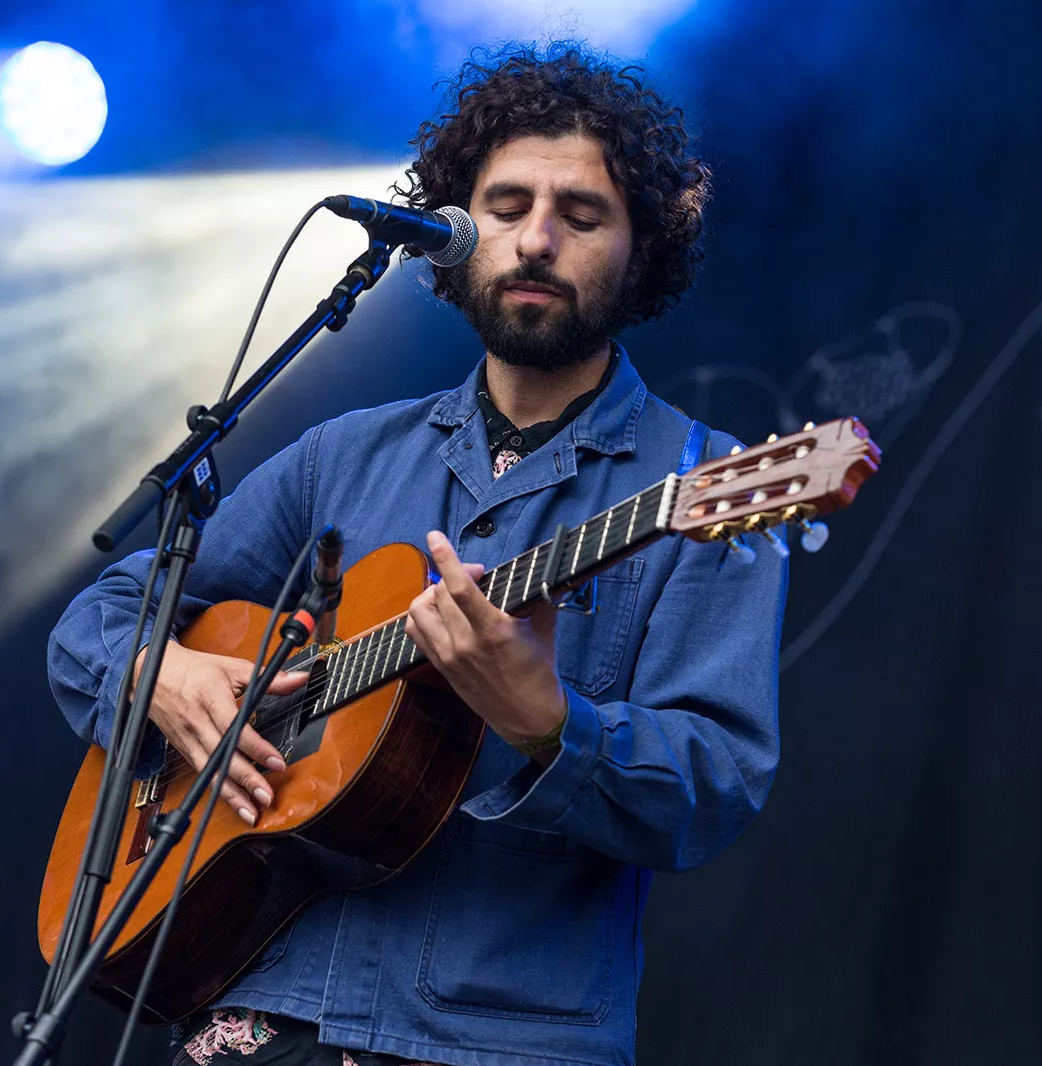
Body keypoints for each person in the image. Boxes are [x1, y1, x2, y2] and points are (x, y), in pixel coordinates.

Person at [48, 43, 787, 1066]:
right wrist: (157, 673)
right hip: (259, 1009)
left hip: (496, 1038)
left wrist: (548, 721)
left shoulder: (703, 483)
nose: (535, 240)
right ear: (452, 230)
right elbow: (107, 611)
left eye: (581, 216)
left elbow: (710, 790)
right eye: (504, 206)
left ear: (643, 248)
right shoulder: (343, 456)